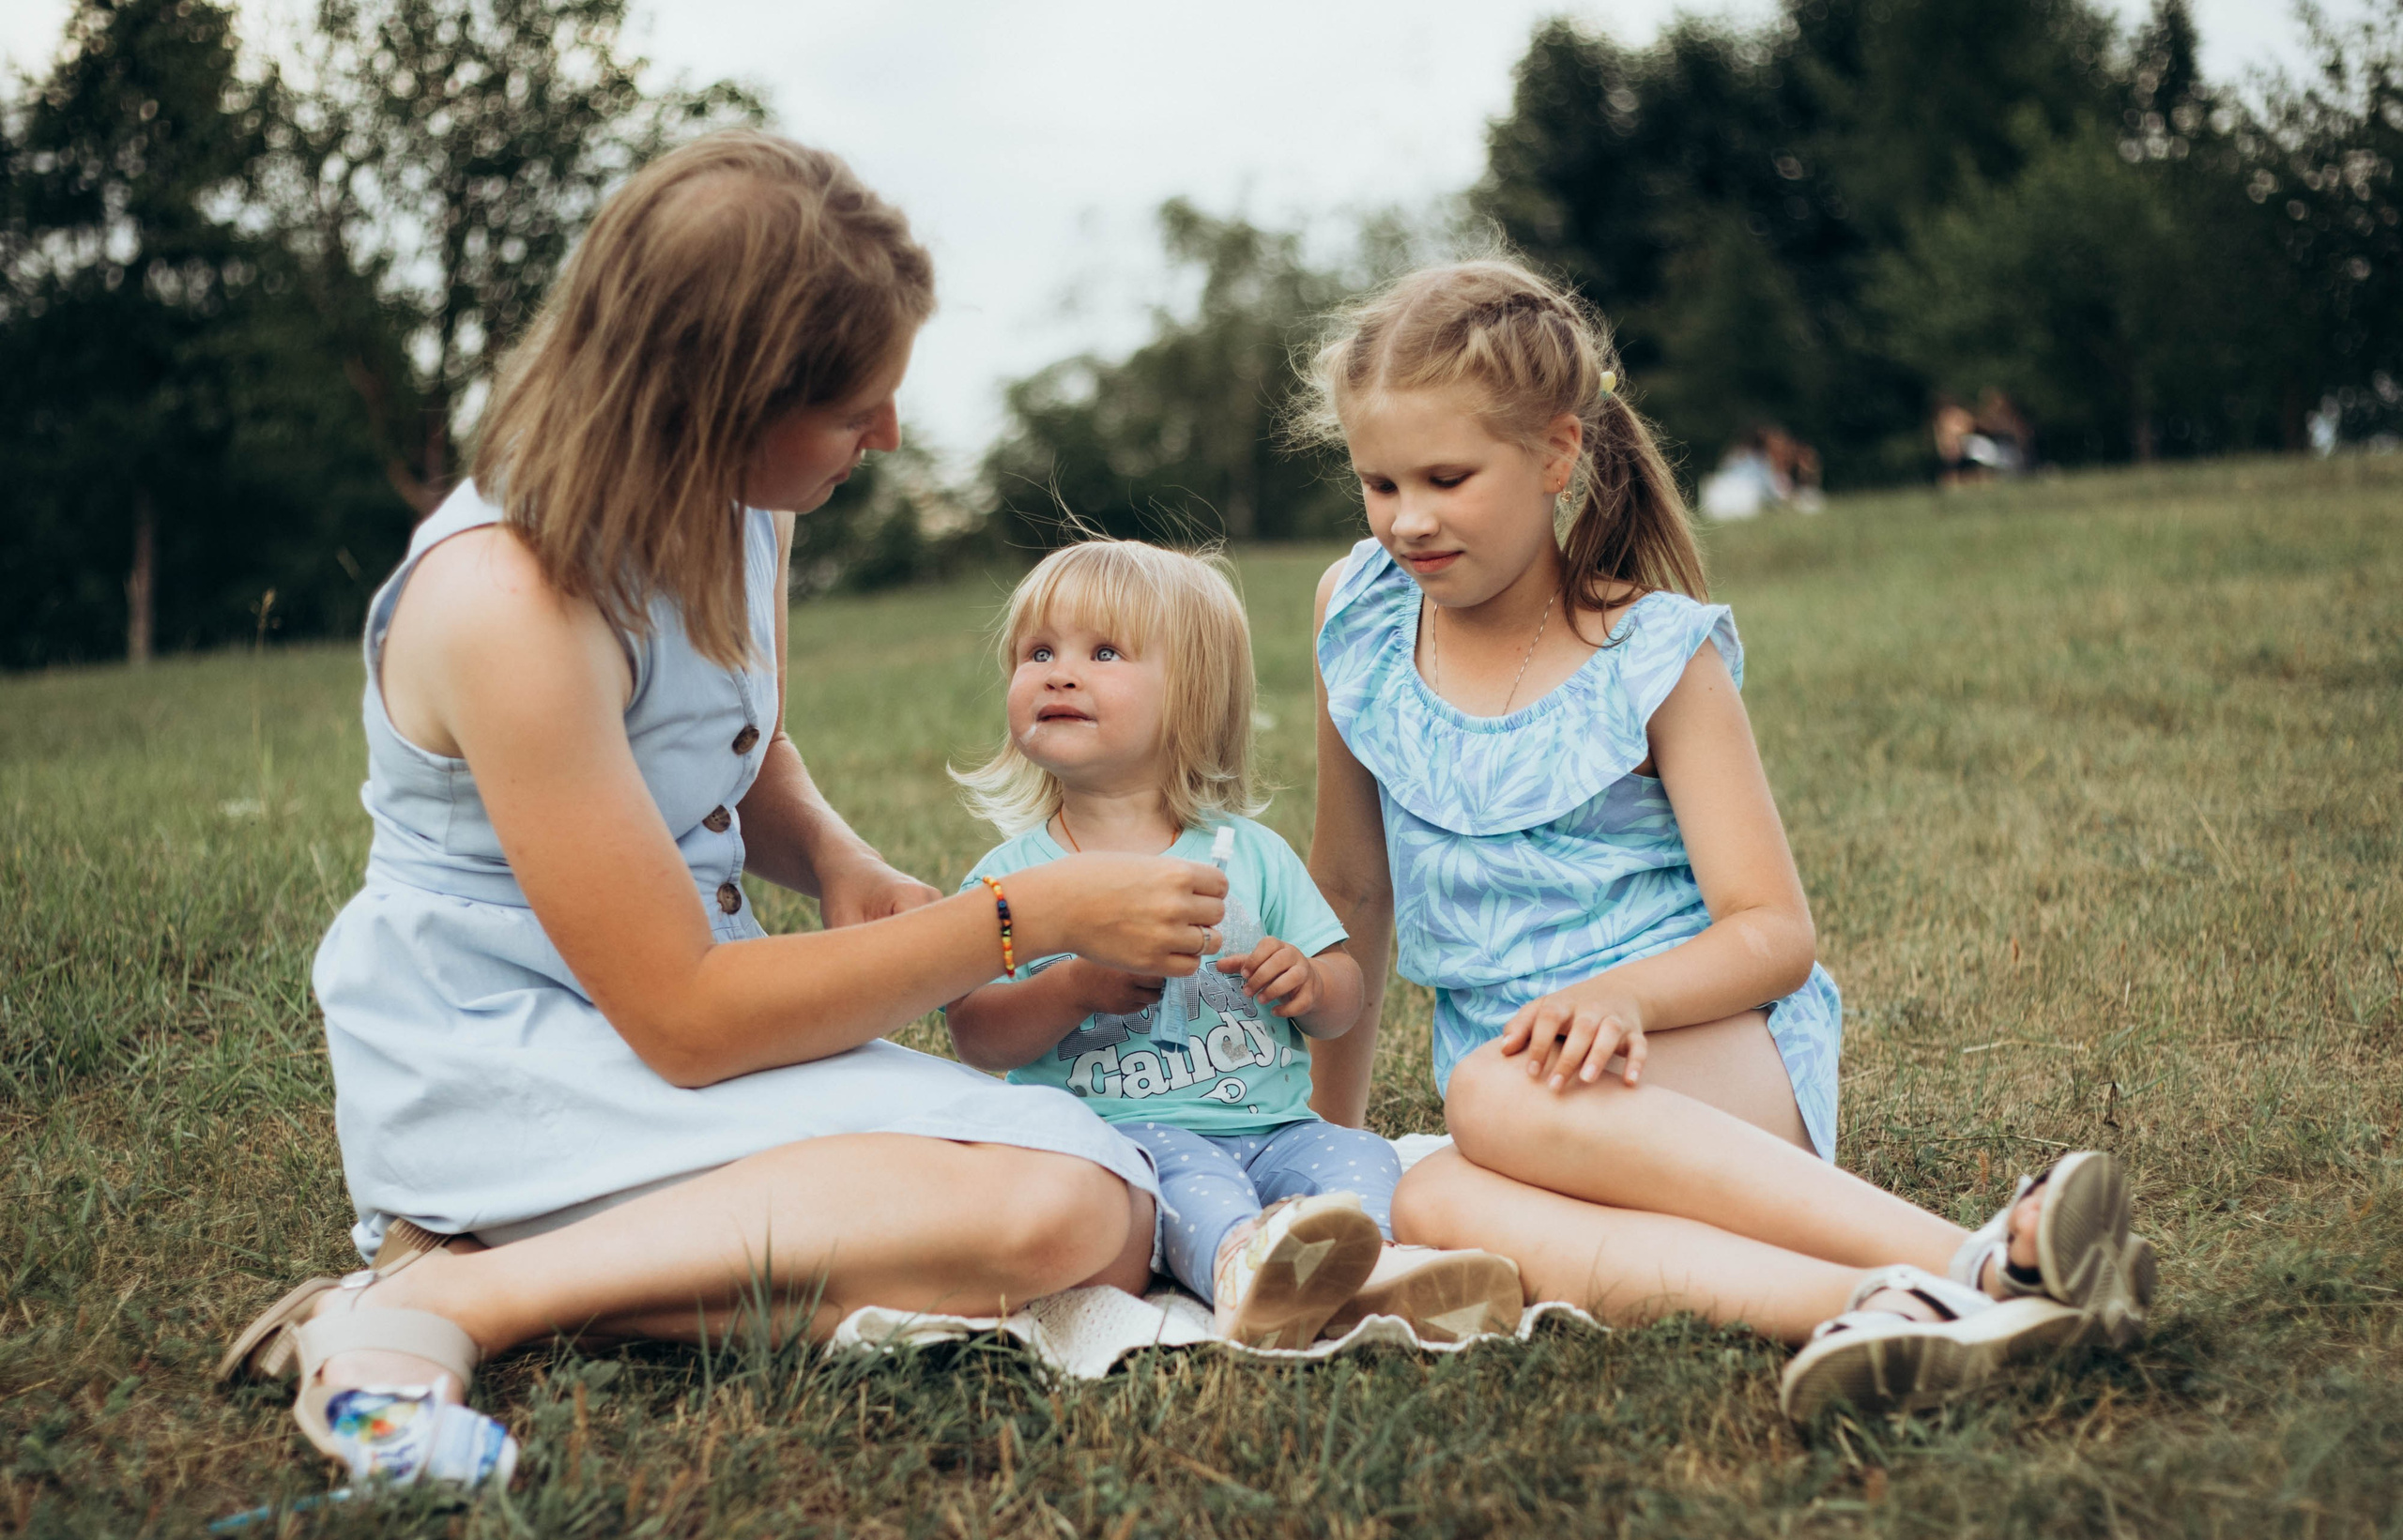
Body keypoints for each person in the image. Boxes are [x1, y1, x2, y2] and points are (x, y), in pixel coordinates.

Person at [213, 131, 1233, 1481]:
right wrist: (1021, 917)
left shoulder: (745, 499)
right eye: (855, 405)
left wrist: (836, 857)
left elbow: (728, 746)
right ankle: (452, 1291)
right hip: (508, 1039)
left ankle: (503, 1261)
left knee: (1094, 1214)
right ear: (718, 401)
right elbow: (689, 1022)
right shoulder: (505, 604)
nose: (888, 434)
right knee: (1064, 1205)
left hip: (675, 1006)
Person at [1292, 258, 2155, 1419]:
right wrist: (1322, 1150)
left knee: (1485, 1100)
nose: (1407, 519)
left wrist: (1622, 1000)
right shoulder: (1358, 617)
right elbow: (1351, 891)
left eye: (1446, 477)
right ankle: (1886, 1305)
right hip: (1518, 1103)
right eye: (1377, 482)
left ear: (1555, 455)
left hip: (1708, 1049)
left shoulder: (1653, 655)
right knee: (1432, 1201)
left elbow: (1774, 934)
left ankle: (1971, 1254)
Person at [944, 539, 1523, 1349]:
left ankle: (1377, 1269)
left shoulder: (1248, 855)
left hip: (1280, 1124)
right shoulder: (1013, 878)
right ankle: (1246, 1270)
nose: (1059, 671)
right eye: (1038, 651)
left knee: (1354, 1158)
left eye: (1103, 651)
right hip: (1127, 1136)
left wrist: (1311, 985)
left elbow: (1345, 992)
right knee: (1195, 1183)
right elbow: (975, 1032)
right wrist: (1075, 987)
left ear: (1192, 697)